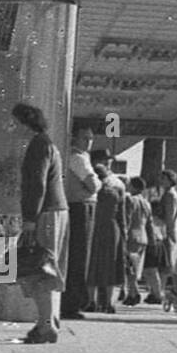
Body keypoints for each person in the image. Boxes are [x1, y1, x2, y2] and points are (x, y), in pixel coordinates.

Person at [11, 102, 69, 344]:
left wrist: (29, 219)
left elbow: (37, 184)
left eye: (16, 123)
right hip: (56, 211)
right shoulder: (47, 143)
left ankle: (46, 326)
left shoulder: (38, 145)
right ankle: (49, 320)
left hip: (45, 213)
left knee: (40, 269)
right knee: (47, 267)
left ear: (26, 123)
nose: (13, 128)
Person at [60, 123, 99, 321]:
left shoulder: (82, 157)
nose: (88, 142)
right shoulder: (77, 158)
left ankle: (73, 300)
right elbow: (94, 185)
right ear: (75, 138)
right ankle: (72, 303)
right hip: (81, 208)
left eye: (91, 138)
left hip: (80, 206)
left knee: (78, 256)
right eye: (85, 137)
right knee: (79, 256)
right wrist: (91, 186)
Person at [88, 159, 127, 314]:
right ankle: (109, 303)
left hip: (95, 229)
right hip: (113, 230)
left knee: (93, 265)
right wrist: (124, 235)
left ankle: (92, 301)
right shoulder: (116, 192)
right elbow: (122, 218)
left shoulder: (92, 193)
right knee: (111, 265)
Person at [122, 177, 151, 306]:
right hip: (143, 236)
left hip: (131, 236)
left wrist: (124, 234)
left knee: (129, 267)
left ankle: (133, 292)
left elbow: (127, 219)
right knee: (135, 266)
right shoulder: (146, 203)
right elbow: (149, 223)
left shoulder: (130, 200)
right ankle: (132, 291)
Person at [157, 169, 177, 268]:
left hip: (168, 232)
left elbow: (169, 215)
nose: (161, 181)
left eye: (163, 178)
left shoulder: (170, 195)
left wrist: (170, 234)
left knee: (168, 262)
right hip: (171, 231)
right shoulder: (170, 194)